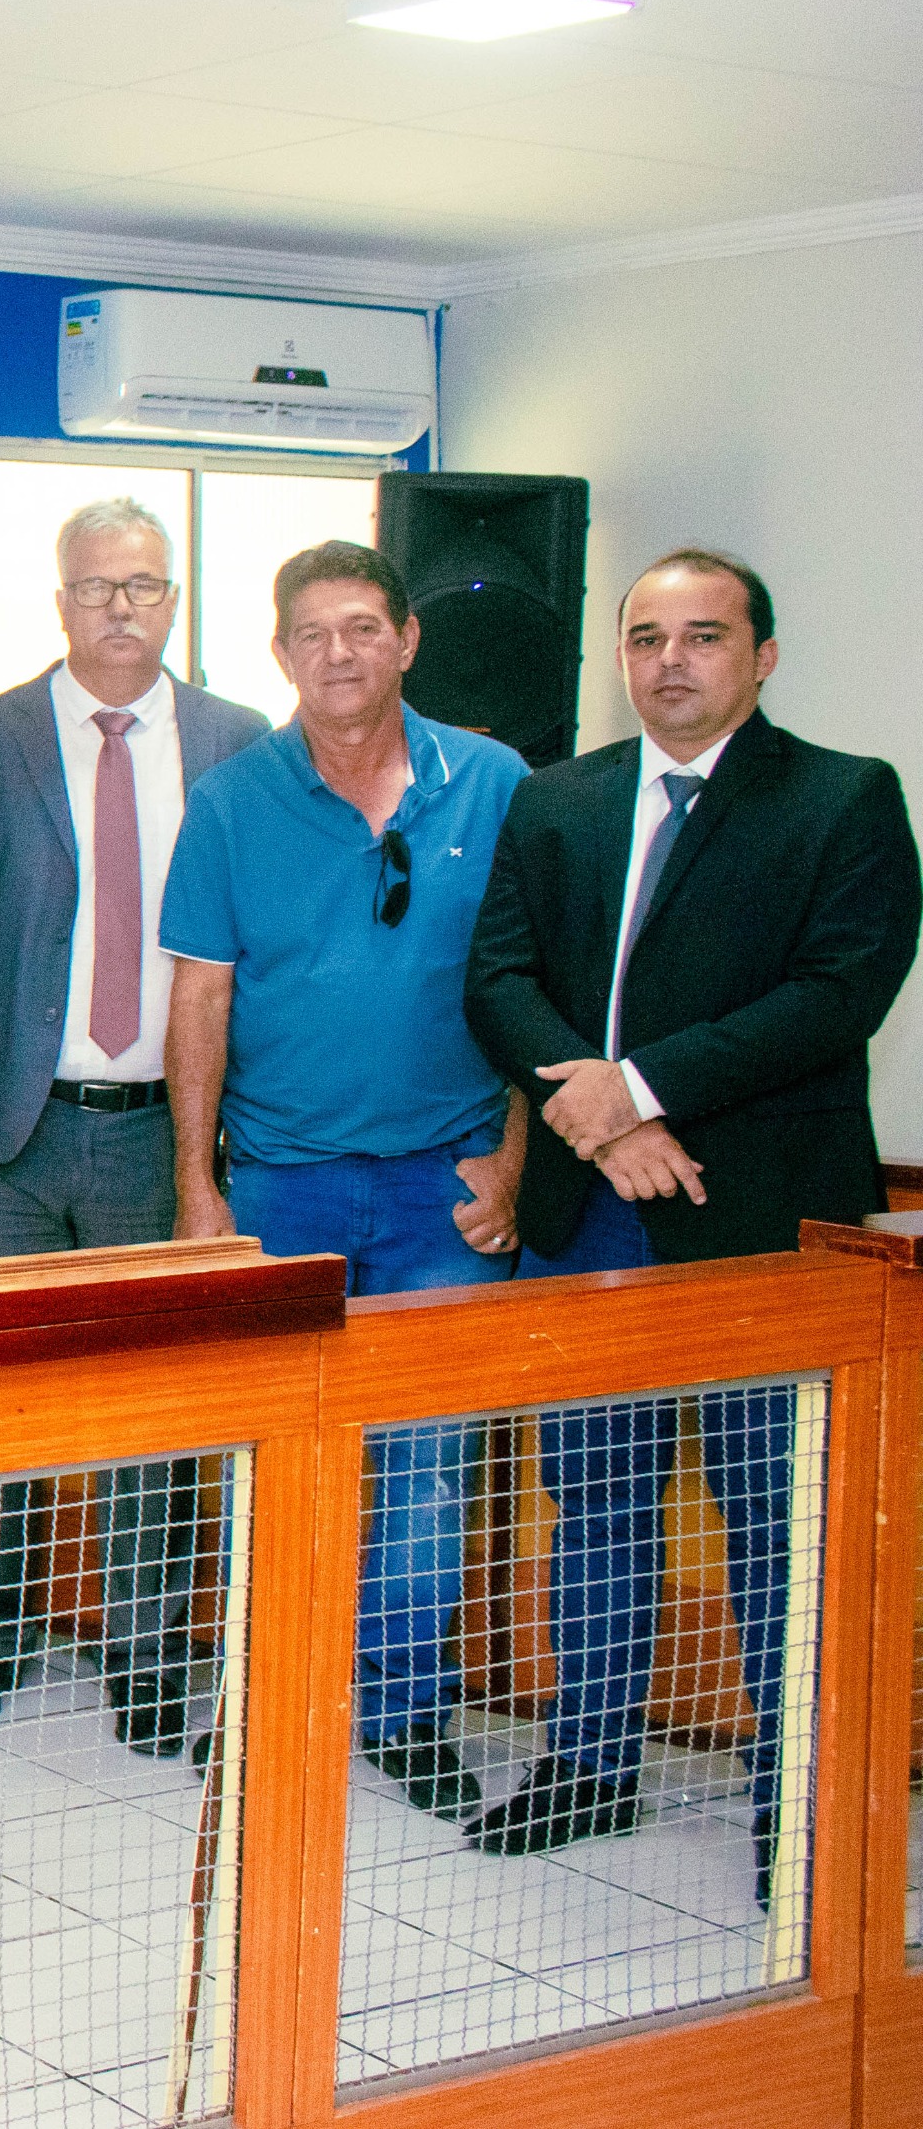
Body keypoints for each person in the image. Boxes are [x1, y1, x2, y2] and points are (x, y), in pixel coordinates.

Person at [465, 548, 918, 1888]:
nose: (669, 661)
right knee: (593, 1498)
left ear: (761, 656)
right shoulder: (557, 797)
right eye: (645, 637)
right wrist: (605, 1120)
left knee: (775, 1517)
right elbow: (496, 981)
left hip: (761, 1219)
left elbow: (837, 993)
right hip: (589, 1209)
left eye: (703, 635)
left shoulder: (842, 796)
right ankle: (590, 1763)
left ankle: (798, 1798)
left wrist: (642, 1088)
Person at [0, 498, 268, 1752]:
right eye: (94, 586)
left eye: (141, 585)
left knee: (148, 1411)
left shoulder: (235, 739)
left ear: (173, 602)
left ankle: (146, 1660)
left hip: (162, 1130)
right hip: (5, 1126)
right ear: (57, 602)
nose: (118, 607)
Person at [161, 543, 528, 1809]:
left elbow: (534, 987)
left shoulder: (493, 783)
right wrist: (196, 1188)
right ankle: (265, 1703)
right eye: (310, 632)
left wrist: (512, 1159)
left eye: (362, 625)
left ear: (405, 639)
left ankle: (401, 1716)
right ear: (279, 654)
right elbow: (199, 998)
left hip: (446, 1191)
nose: (338, 652)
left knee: (424, 1472)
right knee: (271, 1464)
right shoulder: (227, 801)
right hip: (280, 1187)